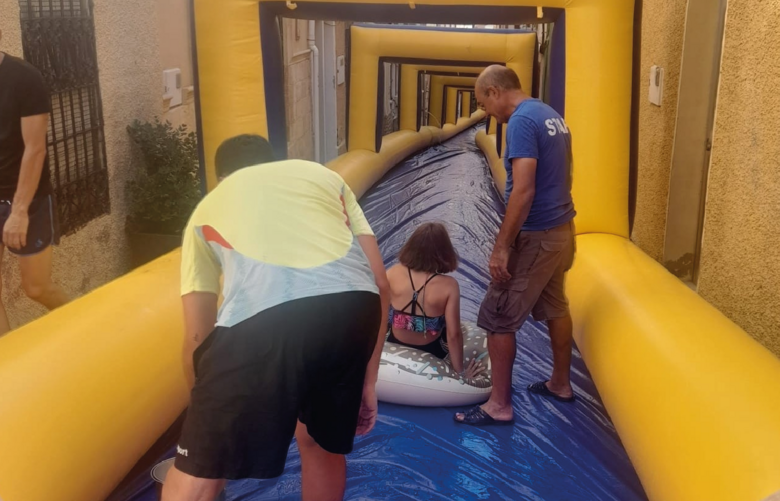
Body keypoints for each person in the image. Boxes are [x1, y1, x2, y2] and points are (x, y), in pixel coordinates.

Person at [162, 135, 391, 501]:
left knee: (199, 469)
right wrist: (368, 379)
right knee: (319, 443)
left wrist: (204, 424)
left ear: (221, 178)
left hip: (261, 319)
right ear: (274, 161)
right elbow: (380, 282)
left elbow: (196, 338)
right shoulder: (325, 178)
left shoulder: (209, 207)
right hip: (351, 308)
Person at [456, 65, 576, 426]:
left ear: (495, 91)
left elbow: (524, 189)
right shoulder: (549, 115)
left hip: (536, 234)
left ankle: (499, 406)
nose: (487, 113)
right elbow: (564, 173)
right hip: (561, 229)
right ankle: (560, 383)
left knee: (498, 316)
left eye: (484, 104)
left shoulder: (522, 121)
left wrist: (502, 247)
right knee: (555, 305)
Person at [0, 30, 70, 336]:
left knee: (36, 288)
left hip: (27, 200)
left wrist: (18, 212)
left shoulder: (24, 78)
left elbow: (35, 149)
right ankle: (8, 360)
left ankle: (85, 327)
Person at [386, 222, 483, 379]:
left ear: (411, 247)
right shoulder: (449, 285)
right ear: (444, 252)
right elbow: (453, 334)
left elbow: (378, 317)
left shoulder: (392, 273)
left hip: (395, 341)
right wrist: (460, 373)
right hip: (430, 349)